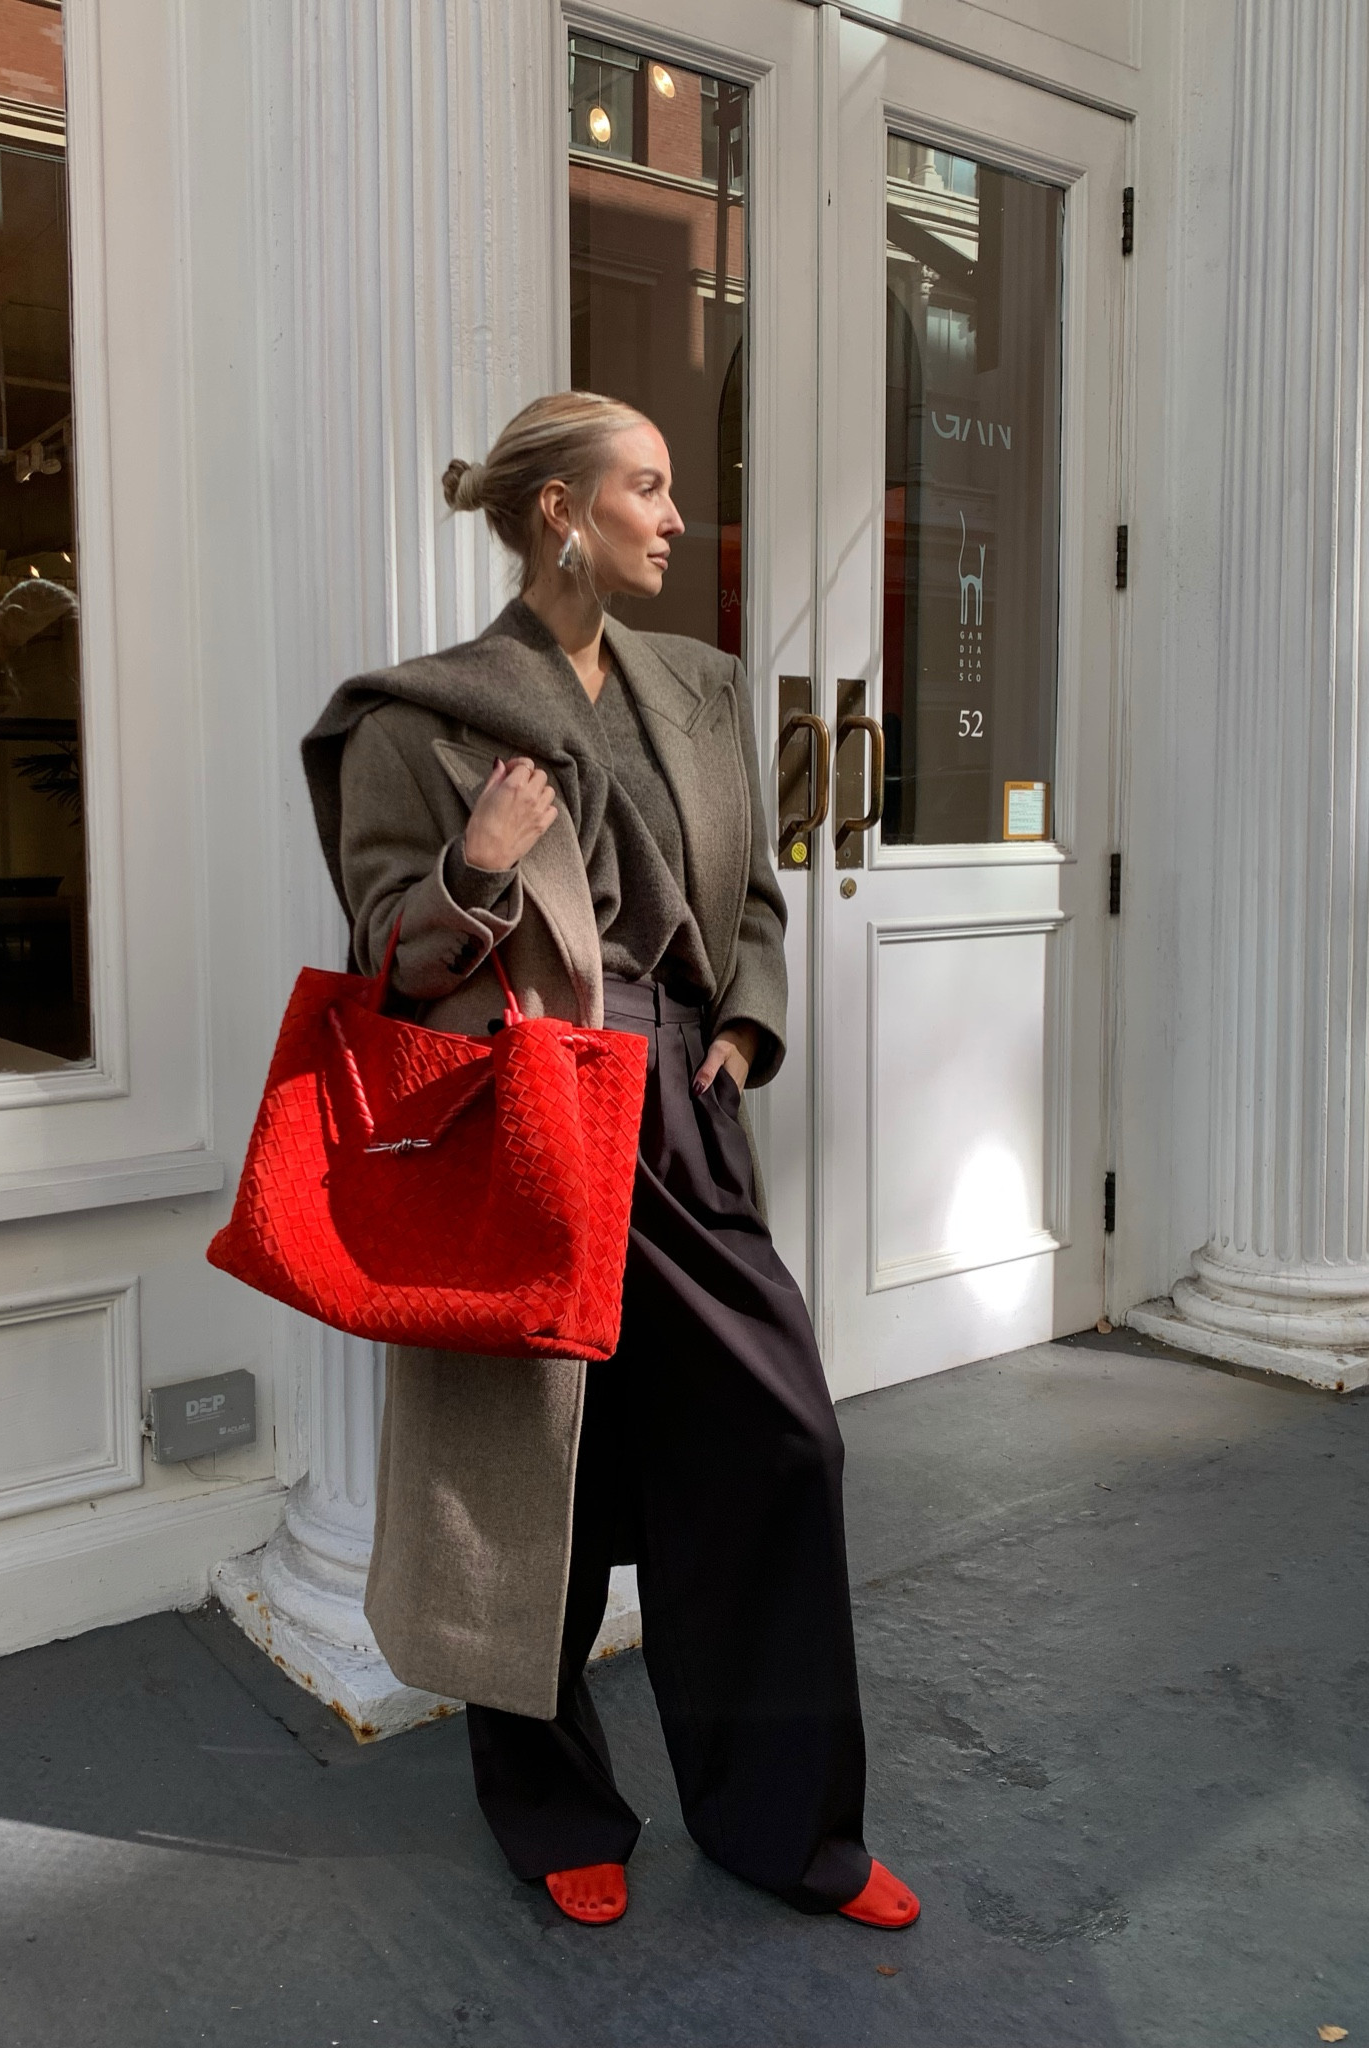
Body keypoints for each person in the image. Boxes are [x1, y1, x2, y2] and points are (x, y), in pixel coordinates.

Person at [301, 391, 919, 1932]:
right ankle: (556, 1805)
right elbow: (385, 950)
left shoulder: (702, 690)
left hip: (679, 1111)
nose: (674, 518)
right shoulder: (416, 716)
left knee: (780, 1447)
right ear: (561, 513)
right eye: (646, 489)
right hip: (525, 1127)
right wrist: (476, 870)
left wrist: (745, 1030)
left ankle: (791, 1831)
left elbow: (756, 904)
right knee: (541, 1487)